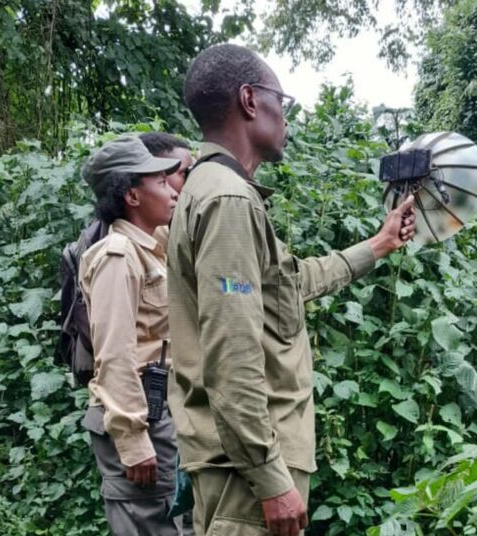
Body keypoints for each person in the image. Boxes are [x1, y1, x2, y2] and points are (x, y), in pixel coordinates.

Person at [166, 44, 416, 536]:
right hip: (247, 475)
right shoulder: (228, 200)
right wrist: (269, 476)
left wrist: (379, 244)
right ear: (249, 100)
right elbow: (231, 354)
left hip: (241, 466)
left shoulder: (212, 189)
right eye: (283, 101)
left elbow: (290, 283)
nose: (287, 117)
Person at [79, 135, 187, 536]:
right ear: (132, 196)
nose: (172, 191)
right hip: (139, 416)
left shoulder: (150, 248)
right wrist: (133, 439)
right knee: (146, 523)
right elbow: (114, 354)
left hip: (156, 412)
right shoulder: (118, 256)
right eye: (160, 182)